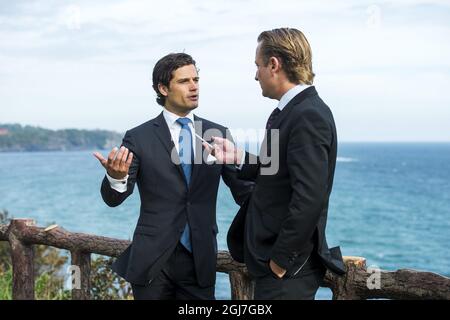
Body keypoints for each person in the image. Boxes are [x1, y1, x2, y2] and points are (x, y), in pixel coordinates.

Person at [93, 53, 253, 300]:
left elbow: (245, 192)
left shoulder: (217, 133)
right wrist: (116, 177)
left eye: (196, 80)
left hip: (200, 260)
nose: (194, 86)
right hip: (152, 261)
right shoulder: (138, 137)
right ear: (163, 88)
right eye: (184, 81)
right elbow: (113, 199)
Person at [205, 28, 346, 299]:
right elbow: (278, 169)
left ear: (274, 64)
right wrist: (238, 157)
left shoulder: (308, 115)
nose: (255, 74)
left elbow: (309, 197)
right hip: (276, 268)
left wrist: (280, 262)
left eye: (257, 66)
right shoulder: (288, 111)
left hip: (287, 273)